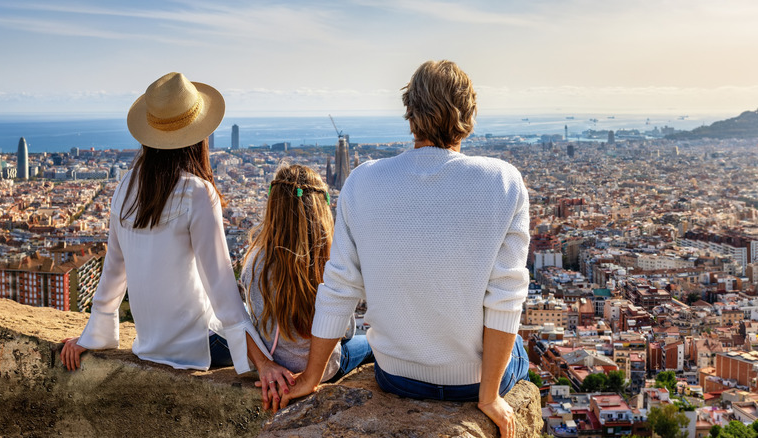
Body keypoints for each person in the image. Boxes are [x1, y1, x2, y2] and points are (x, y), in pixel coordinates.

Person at [281, 60, 531, 438]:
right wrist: (490, 397)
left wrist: (311, 377)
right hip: (472, 382)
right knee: (523, 349)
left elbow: (340, 286)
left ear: (410, 112)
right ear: (468, 115)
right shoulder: (503, 181)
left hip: (397, 376)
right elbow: (506, 297)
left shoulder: (363, 180)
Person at [60, 73, 292, 406]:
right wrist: (264, 363)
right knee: (283, 344)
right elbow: (222, 286)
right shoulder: (197, 193)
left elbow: (113, 272)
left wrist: (91, 337)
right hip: (200, 347)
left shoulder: (125, 187)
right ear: (197, 135)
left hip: (151, 344)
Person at [243, 164, 373, 411]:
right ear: (321, 210)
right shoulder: (331, 262)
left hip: (273, 366)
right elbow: (343, 332)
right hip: (323, 369)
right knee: (371, 343)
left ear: (273, 209)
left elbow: (255, 319)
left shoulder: (255, 261)